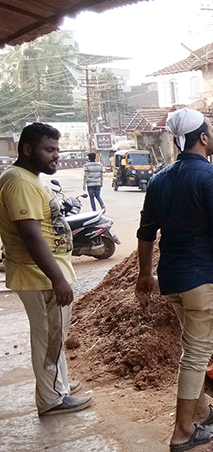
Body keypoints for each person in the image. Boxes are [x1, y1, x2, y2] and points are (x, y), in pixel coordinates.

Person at [135, 108, 213, 452]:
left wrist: (145, 275)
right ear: (203, 137)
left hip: (173, 279)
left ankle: (203, 410)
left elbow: (146, 232)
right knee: (195, 354)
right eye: (211, 131)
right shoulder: (211, 176)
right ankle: (182, 432)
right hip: (203, 278)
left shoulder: (160, 179)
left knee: (193, 349)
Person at [0, 123, 91, 416]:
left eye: (57, 149)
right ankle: (52, 399)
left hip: (43, 274)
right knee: (48, 338)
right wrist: (57, 278)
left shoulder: (29, 178)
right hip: (38, 276)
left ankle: (59, 385)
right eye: (49, 150)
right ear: (27, 149)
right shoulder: (19, 181)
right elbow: (31, 235)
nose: (56, 156)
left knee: (55, 335)